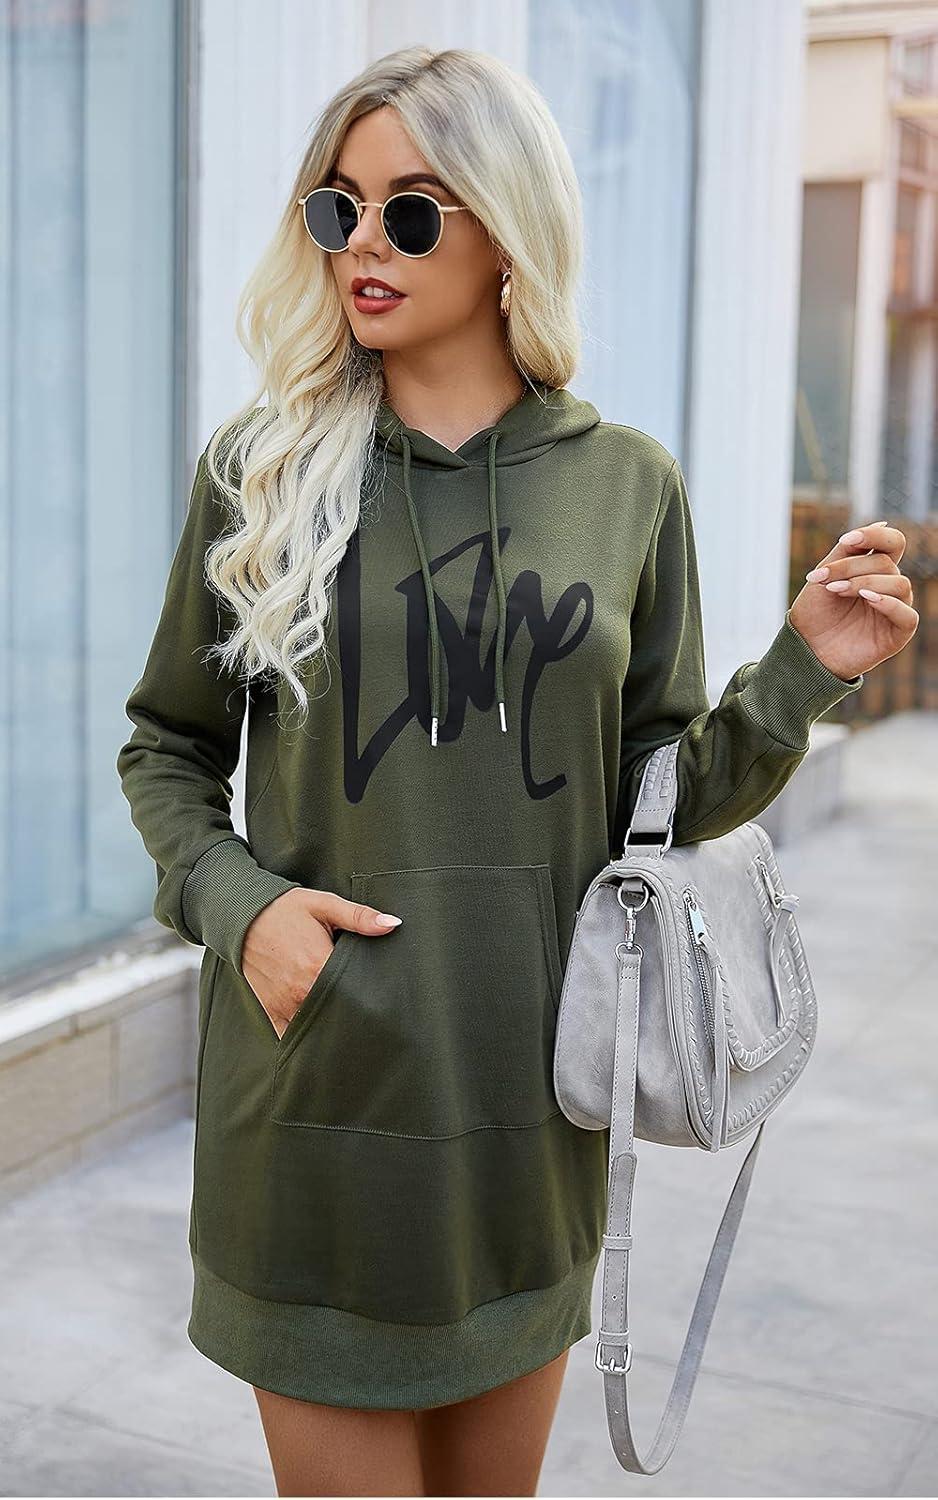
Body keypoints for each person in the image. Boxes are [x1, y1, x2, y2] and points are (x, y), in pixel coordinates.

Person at [115, 45, 918, 1499]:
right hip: (314, 1123)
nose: (363, 243)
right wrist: (247, 912)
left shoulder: (627, 484)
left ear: (506, 233)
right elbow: (166, 746)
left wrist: (802, 667)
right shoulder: (262, 473)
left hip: (530, 1123)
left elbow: (664, 801)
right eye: (337, 207)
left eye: (412, 211)